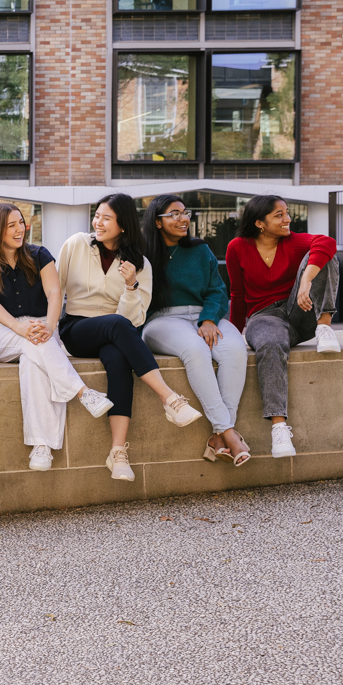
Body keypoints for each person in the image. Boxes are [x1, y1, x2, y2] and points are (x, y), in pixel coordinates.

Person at [57, 194, 203, 481]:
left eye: (106, 218)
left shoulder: (139, 264)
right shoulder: (77, 244)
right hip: (77, 329)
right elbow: (54, 289)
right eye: (97, 216)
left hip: (115, 335)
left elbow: (134, 319)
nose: (98, 222)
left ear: (123, 224)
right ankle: (169, 398)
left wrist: (131, 286)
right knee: (115, 325)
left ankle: (118, 453)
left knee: (119, 361)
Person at [0, 203, 113, 472]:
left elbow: (55, 293)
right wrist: (18, 327)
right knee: (34, 342)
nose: (19, 229)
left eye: (21, 222)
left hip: (40, 328)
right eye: (11, 225)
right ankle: (83, 392)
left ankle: (42, 448)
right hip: (1, 330)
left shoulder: (39, 254)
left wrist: (49, 325)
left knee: (33, 362)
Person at [226, 195, 340, 459]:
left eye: (286, 213)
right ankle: (279, 427)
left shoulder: (294, 241)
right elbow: (237, 294)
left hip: (300, 310)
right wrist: (232, 334)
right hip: (263, 317)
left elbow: (327, 242)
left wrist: (305, 281)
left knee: (325, 255)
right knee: (270, 343)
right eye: (279, 215)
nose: (287, 219)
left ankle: (324, 326)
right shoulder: (237, 247)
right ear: (259, 223)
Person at [141, 196, 251, 466]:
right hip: (162, 320)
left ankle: (219, 435)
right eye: (174, 214)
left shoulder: (200, 250)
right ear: (157, 221)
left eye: (185, 213)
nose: (183, 219)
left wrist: (209, 319)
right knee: (196, 349)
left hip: (203, 317)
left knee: (236, 349)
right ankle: (230, 433)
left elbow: (217, 289)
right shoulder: (142, 252)